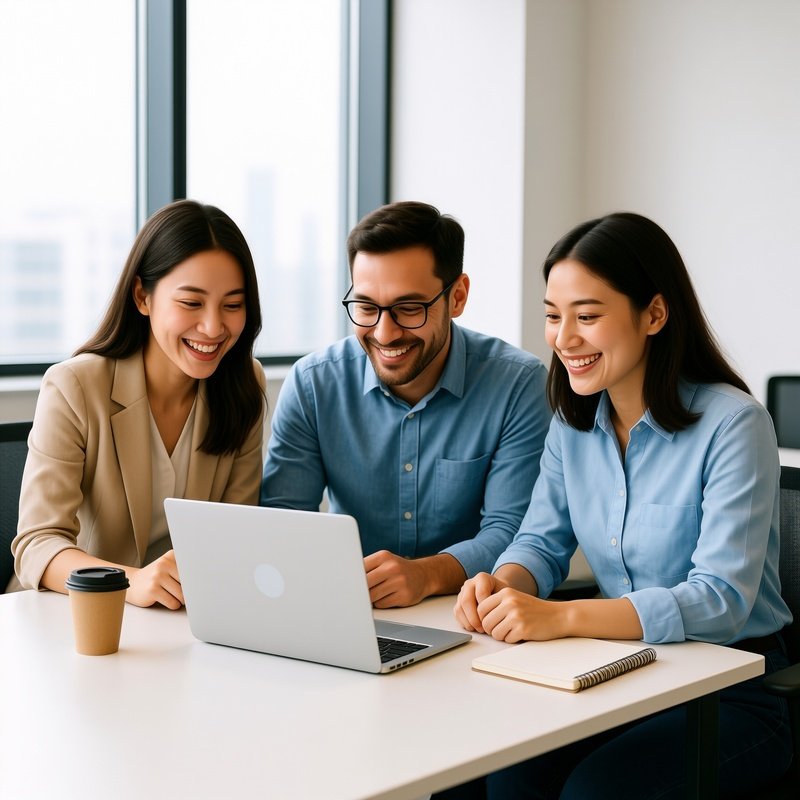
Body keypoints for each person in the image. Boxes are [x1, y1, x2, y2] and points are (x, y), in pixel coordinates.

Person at [453, 212, 793, 799]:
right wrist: (501, 585)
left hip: (733, 689)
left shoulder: (734, 424)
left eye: (587, 316)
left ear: (654, 314)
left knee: (595, 792)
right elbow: (540, 541)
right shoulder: (573, 424)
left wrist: (560, 617)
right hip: (625, 672)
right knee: (502, 771)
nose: (563, 340)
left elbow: (721, 600)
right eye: (553, 317)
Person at [261, 200, 551, 608]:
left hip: (469, 616)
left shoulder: (517, 385)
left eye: (409, 308)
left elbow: (513, 530)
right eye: (365, 307)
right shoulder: (313, 384)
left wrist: (426, 574)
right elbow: (283, 522)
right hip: (345, 608)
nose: (385, 332)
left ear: (458, 297)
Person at [8, 199, 266, 608]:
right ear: (143, 297)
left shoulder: (243, 383)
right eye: (191, 303)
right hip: (71, 619)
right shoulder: (75, 386)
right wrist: (132, 581)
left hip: (182, 622)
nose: (214, 327)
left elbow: (236, 535)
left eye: (232, 305)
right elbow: (38, 545)